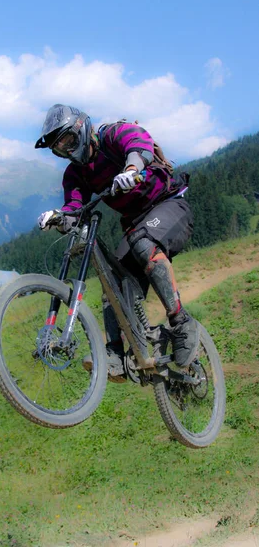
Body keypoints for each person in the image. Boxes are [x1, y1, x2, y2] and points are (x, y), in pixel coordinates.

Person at [35, 104, 199, 382]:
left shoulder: (112, 135)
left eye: (68, 140)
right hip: (137, 226)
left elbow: (139, 143)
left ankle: (182, 323)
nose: (66, 150)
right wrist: (59, 217)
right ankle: (116, 353)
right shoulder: (75, 174)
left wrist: (132, 167)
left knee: (142, 242)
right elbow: (75, 208)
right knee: (112, 283)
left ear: (82, 128)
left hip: (170, 205)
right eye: (59, 148)